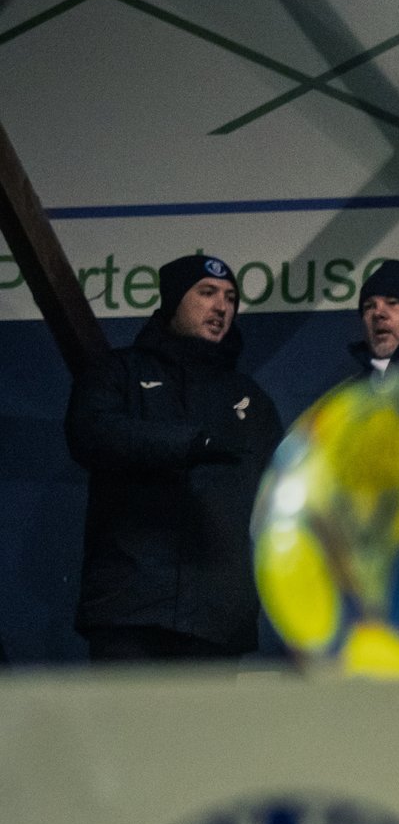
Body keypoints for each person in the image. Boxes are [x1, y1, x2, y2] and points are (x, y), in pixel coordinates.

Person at [65, 253, 280, 662]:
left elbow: (279, 495)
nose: (221, 306)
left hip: (218, 621)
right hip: (130, 611)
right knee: (124, 729)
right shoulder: (118, 372)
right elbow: (89, 432)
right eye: (206, 293)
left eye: (231, 298)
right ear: (172, 301)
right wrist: (187, 444)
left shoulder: (250, 399)